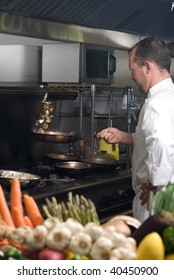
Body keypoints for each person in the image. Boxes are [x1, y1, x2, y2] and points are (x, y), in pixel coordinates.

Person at [97, 36, 174, 222]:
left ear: (147, 67)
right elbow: (155, 140)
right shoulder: (170, 96)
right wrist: (124, 137)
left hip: (155, 203)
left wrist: (157, 186)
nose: (132, 76)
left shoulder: (156, 104)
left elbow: (163, 144)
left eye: (133, 69)